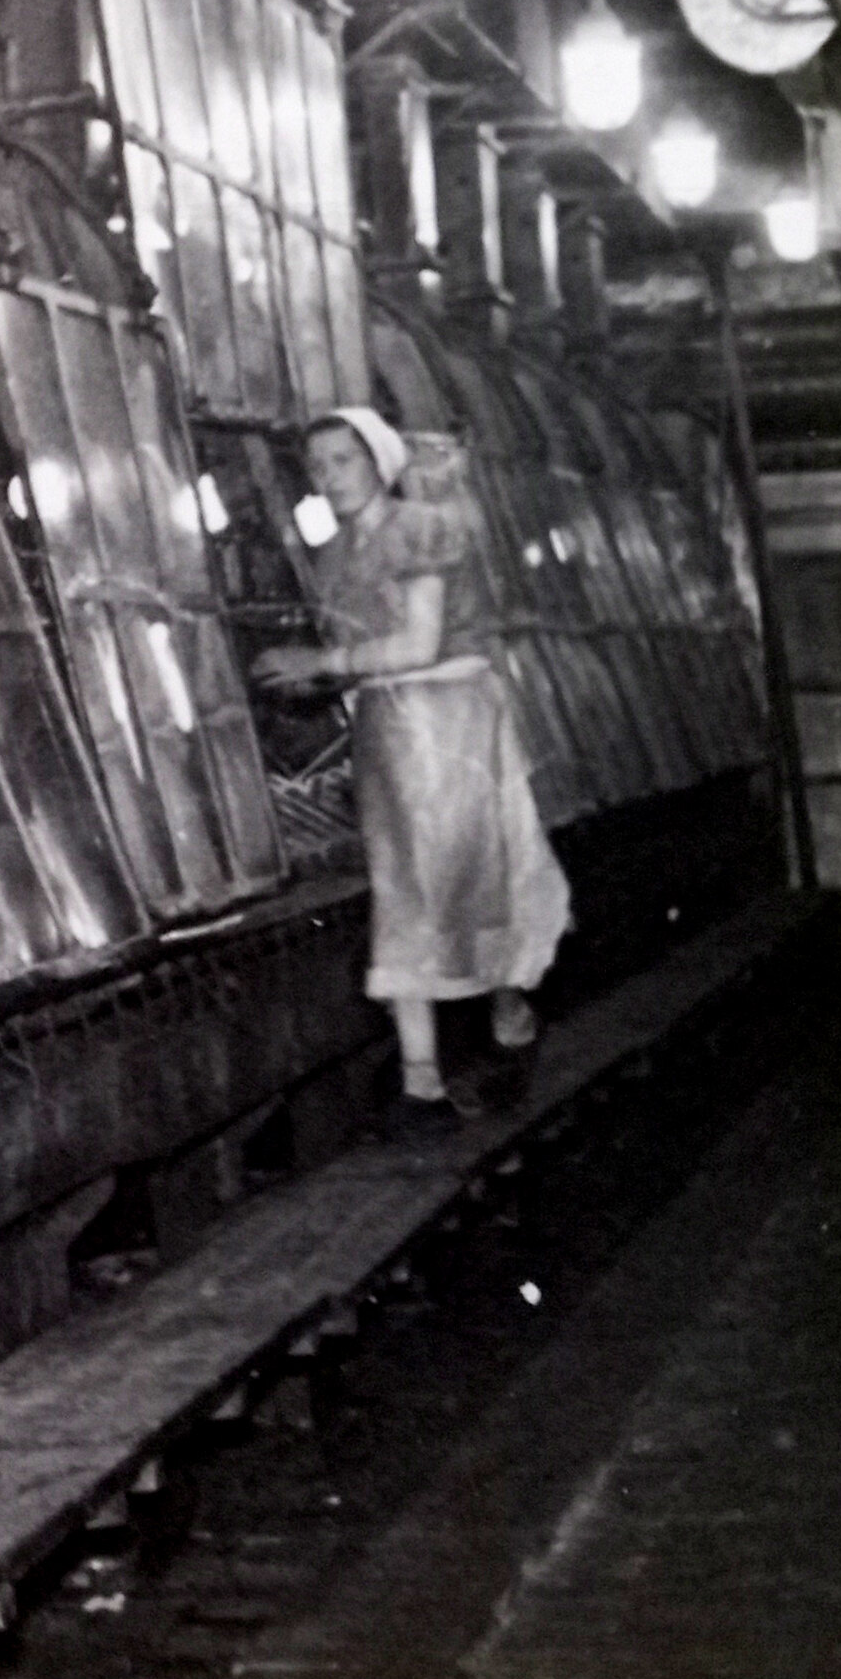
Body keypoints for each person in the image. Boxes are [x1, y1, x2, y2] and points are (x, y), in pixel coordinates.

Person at [251, 407, 570, 1136]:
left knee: (466, 880)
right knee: (401, 889)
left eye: (344, 460)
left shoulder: (423, 529)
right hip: (388, 728)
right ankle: (421, 1079)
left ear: (379, 460)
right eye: (318, 466)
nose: (330, 477)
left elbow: (421, 642)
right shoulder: (332, 556)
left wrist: (321, 662)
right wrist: (310, 680)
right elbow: (359, 657)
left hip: (450, 719)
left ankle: (510, 1015)